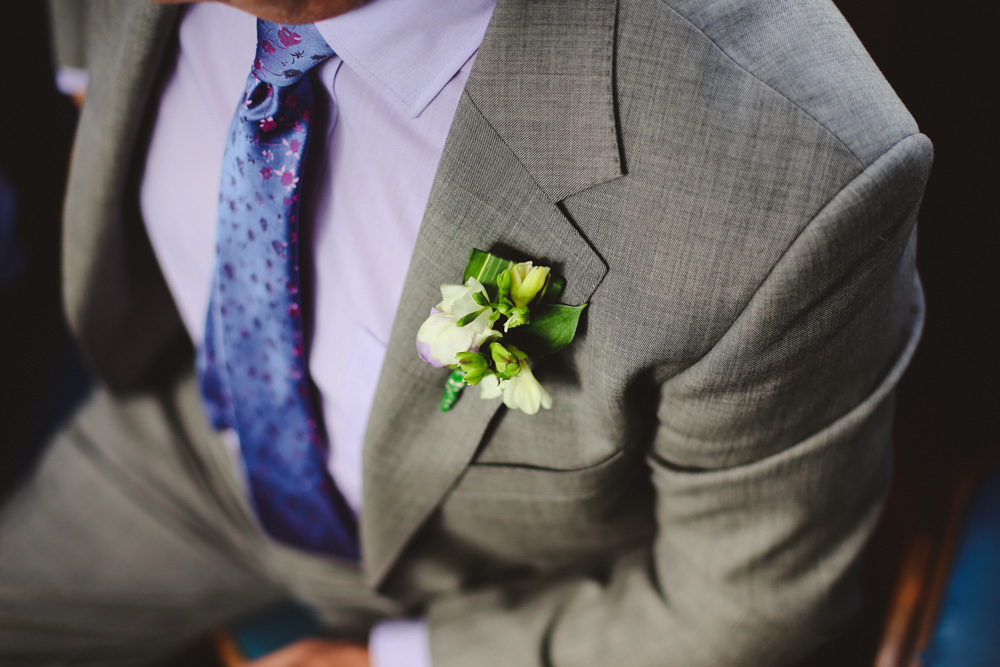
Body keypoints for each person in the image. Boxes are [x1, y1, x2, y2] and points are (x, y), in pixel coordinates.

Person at [0, 0, 932, 665]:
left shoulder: (796, 172)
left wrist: (405, 662)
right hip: (189, 457)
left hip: (505, 589)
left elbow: (749, 602)